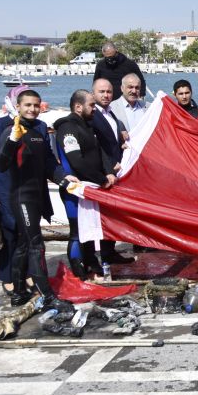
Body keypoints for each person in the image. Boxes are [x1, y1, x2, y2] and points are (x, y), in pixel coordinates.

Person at [0, 90, 78, 306]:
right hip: (21, 196)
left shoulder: (41, 128)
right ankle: (48, 296)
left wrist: (63, 176)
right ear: (19, 106)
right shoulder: (11, 131)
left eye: (36, 105)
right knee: (36, 245)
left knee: (24, 244)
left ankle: (19, 293)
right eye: (27, 105)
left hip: (37, 194)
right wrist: (13, 141)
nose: (32, 109)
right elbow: (1, 165)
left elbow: (49, 161)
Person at [54, 90, 117, 280]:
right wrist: (101, 179)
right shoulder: (68, 129)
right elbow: (77, 162)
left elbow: (100, 152)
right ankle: (78, 273)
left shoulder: (88, 126)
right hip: (75, 190)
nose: (95, 108)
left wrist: (109, 172)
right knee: (77, 232)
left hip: (91, 188)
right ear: (78, 107)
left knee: (88, 230)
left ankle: (92, 263)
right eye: (91, 105)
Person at [90, 78, 133, 265]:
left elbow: (111, 141)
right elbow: (95, 146)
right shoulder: (92, 116)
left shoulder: (111, 114)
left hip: (116, 172)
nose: (106, 95)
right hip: (103, 174)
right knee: (102, 217)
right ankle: (97, 258)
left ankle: (109, 251)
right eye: (101, 92)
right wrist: (106, 169)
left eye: (108, 92)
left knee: (112, 216)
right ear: (93, 94)